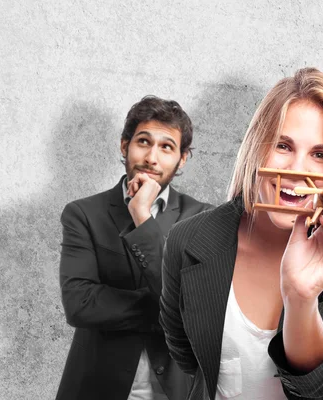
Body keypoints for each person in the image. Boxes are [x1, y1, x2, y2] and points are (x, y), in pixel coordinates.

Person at [159, 67, 323, 399]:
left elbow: (317, 383)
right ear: (257, 147)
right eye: (283, 145)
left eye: (320, 155)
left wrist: (300, 296)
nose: (297, 170)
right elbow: (186, 354)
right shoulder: (187, 240)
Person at [55, 96, 213, 400]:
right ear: (124, 145)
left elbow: (196, 307)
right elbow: (79, 304)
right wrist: (167, 312)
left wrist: (142, 216)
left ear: (182, 159)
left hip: (174, 391)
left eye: (166, 147)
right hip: (96, 387)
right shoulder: (84, 214)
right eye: (143, 142)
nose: (152, 157)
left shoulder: (201, 218)